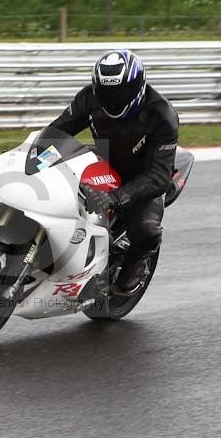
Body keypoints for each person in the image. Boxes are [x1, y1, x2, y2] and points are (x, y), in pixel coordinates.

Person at [49, 49, 179, 295]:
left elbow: (159, 176)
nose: (114, 99)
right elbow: (58, 132)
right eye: (107, 92)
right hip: (105, 163)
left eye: (121, 91)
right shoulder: (89, 99)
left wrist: (118, 198)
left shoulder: (162, 115)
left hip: (145, 176)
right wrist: (30, 157)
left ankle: (136, 262)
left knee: (146, 228)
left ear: (139, 85)